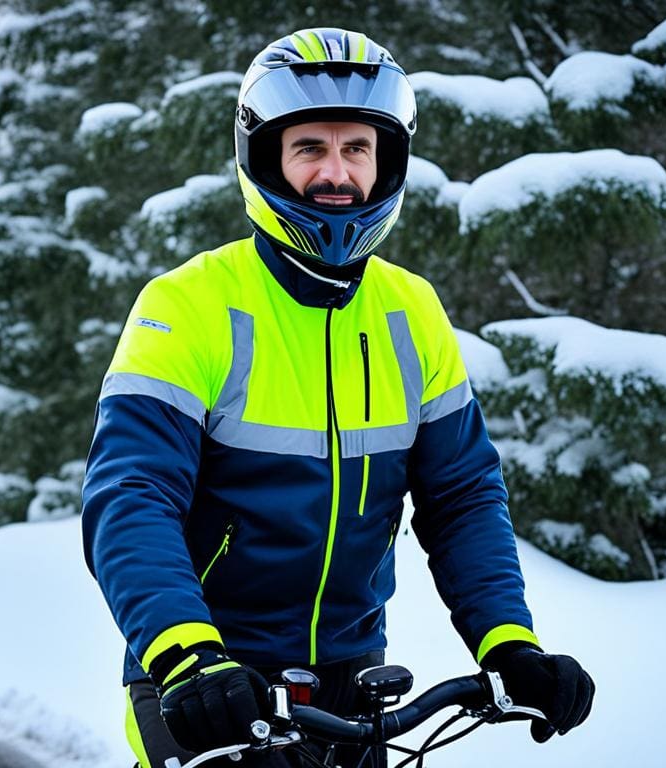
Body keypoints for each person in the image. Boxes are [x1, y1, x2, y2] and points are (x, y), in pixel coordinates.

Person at [81, 27, 594, 768]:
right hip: (204, 676)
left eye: (357, 148)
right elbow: (130, 496)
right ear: (265, 160)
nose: (337, 173)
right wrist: (187, 654)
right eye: (310, 148)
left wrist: (508, 643)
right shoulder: (186, 305)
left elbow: (463, 498)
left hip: (354, 682)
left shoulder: (412, 312)